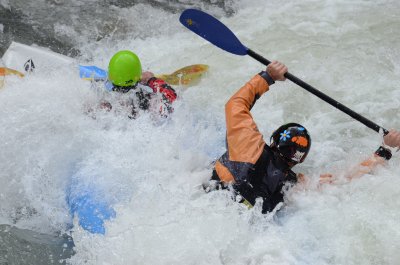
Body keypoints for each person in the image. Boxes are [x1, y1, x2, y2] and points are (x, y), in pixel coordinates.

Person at [204, 60, 399, 214]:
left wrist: (267, 77)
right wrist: (385, 151)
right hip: (243, 226)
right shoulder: (294, 185)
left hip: (206, 201)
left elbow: (235, 105)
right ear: (301, 159)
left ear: (274, 140)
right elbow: (345, 178)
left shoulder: (249, 145)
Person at [97, 50, 177, 118]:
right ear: (138, 74)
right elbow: (171, 98)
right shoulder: (146, 98)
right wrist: (151, 80)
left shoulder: (104, 98)